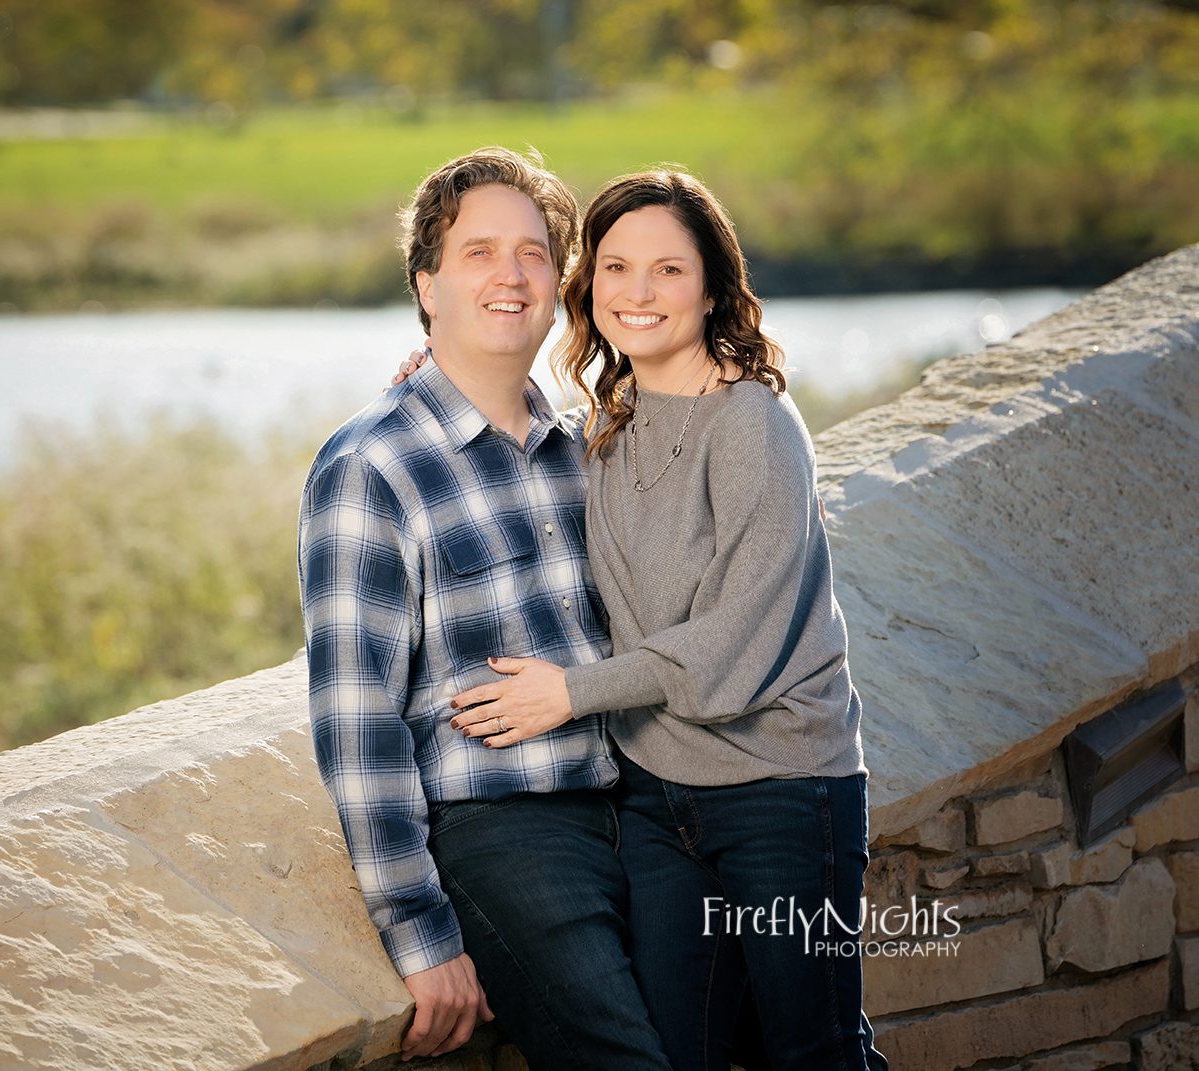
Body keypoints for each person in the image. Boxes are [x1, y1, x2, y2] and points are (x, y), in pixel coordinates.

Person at [440, 170, 889, 1071]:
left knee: (815, 1051)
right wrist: (438, 374)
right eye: (615, 268)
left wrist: (575, 693)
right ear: (589, 286)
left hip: (781, 793)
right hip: (655, 800)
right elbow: (520, 436)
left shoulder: (754, 425)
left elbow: (740, 637)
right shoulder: (610, 420)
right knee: (679, 1054)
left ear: (714, 288)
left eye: (668, 271)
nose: (637, 294)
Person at [297, 147, 671, 1069]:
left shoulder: (590, 449)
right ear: (427, 285)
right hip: (503, 832)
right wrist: (419, 933)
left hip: (643, 811)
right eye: (478, 253)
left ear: (560, 285)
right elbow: (358, 722)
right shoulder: (370, 467)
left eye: (535, 254)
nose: (511, 275)